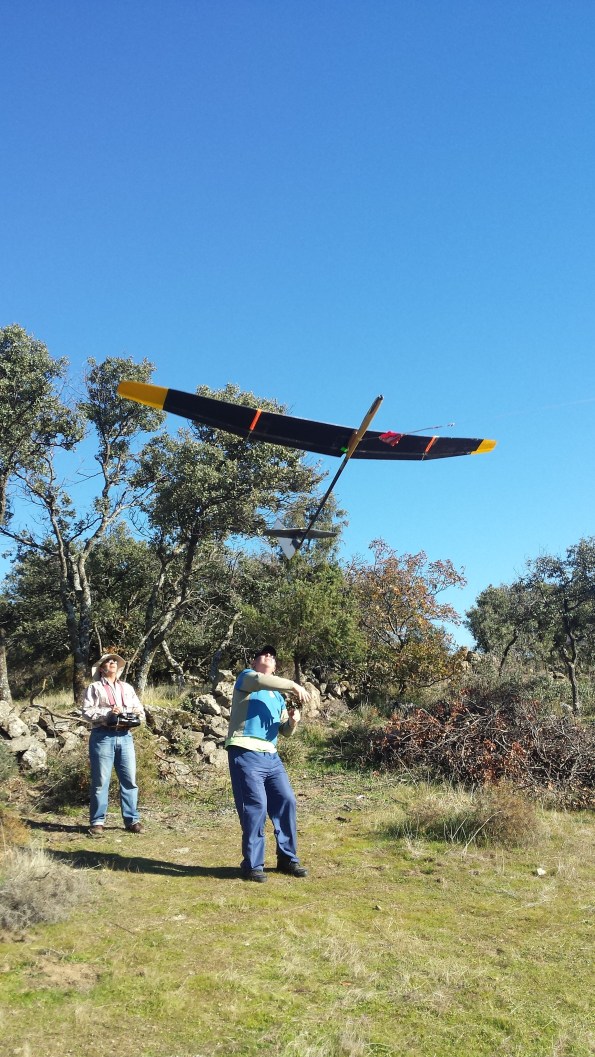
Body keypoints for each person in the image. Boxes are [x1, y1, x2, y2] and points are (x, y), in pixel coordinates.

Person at [225, 645, 310, 882]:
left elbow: (284, 731)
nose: (268, 657)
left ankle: (287, 859)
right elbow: (262, 680)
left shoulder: (278, 697)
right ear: (254, 662)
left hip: (271, 757)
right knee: (256, 806)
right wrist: (294, 684)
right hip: (245, 751)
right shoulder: (247, 679)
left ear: (276, 665)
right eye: (263, 654)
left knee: (286, 801)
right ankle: (252, 865)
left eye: (272, 656)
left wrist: (292, 722)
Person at [82, 651, 145, 838]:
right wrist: (108, 714)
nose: (112, 663)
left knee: (129, 781)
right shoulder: (94, 688)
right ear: (101, 668)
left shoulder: (127, 688)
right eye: (108, 662)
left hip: (125, 736)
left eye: (114, 662)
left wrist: (132, 714)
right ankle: (97, 822)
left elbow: (139, 709)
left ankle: (132, 819)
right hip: (102, 736)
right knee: (101, 781)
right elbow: (87, 711)